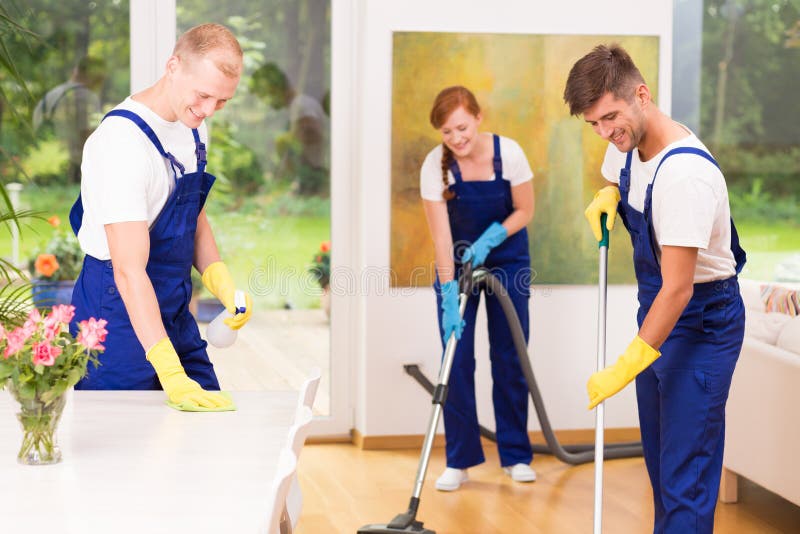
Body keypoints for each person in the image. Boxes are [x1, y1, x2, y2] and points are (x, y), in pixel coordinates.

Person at [563, 44, 746, 532]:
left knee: (685, 477)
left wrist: (626, 365)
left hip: (702, 320)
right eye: (594, 124)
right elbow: (622, 179)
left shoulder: (686, 176)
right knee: (663, 469)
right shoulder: (625, 140)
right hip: (659, 315)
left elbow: (679, 289)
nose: (604, 132)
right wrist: (609, 195)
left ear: (641, 95)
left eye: (609, 118)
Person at [68, 23, 253, 412]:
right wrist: (169, 372)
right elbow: (128, 272)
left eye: (222, 102)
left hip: (171, 304)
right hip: (116, 311)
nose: (208, 111)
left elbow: (192, 217)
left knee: (207, 423)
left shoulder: (193, 128)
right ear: (173, 66)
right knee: (123, 440)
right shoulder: (122, 144)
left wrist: (221, 282)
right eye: (203, 96)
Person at [421, 86, 536, 491]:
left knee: (509, 356)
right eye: (447, 132)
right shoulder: (435, 165)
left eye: (462, 127)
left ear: (478, 118)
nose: (456, 139)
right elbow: (440, 239)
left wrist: (492, 238)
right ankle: (459, 460)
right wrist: (449, 295)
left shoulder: (511, 154)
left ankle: (517, 455)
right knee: (456, 359)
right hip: (456, 261)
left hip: (507, 262)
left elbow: (526, 209)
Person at [249, 61, 328, 195]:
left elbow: (314, 132)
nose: (270, 102)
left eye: (270, 94)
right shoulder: (296, 106)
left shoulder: (301, 105)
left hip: (314, 168)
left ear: (278, 90)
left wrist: (288, 139)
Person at [33, 55, 106, 183]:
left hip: (45, 162)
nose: (101, 82)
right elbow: (85, 134)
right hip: (73, 164)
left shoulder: (53, 94)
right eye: (100, 78)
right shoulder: (87, 97)